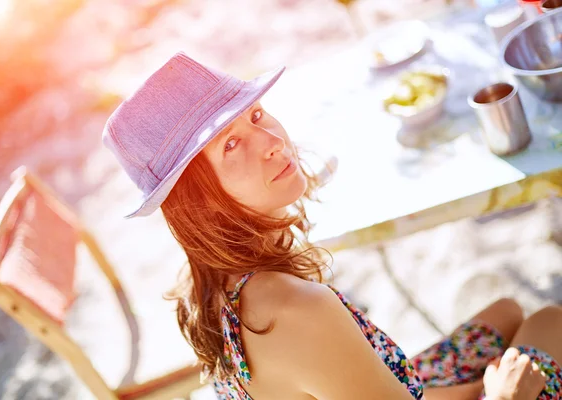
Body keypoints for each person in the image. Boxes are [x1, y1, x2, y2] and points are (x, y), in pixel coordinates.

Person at [102, 52, 562, 399]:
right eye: (230, 145)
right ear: (199, 201)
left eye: (257, 115)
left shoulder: (205, 278)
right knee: (550, 323)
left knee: (505, 312)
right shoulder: (296, 308)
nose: (272, 142)